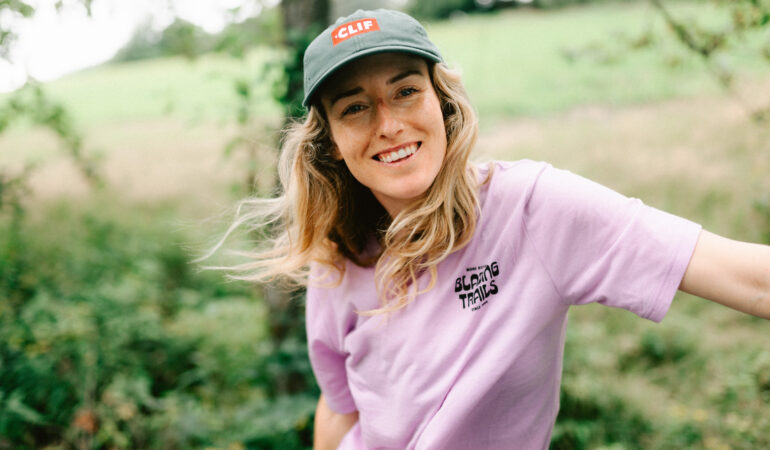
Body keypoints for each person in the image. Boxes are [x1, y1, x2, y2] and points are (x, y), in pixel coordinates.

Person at [215, 8, 770, 449]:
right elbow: (341, 406)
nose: (388, 125)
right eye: (355, 107)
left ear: (443, 102)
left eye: (406, 90)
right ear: (332, 142)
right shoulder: (336, 257)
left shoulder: (533, 209)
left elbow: (748, 277)